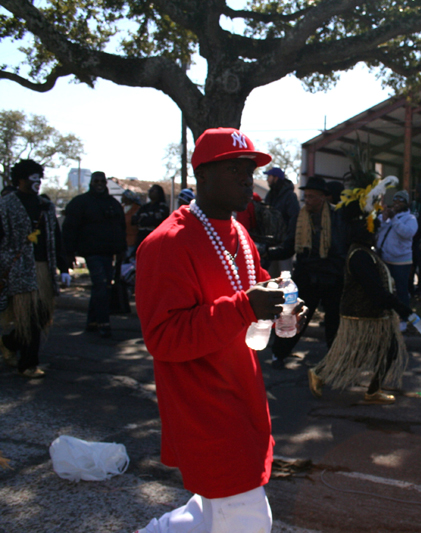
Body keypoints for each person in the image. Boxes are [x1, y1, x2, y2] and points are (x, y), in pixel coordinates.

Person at [134, 127, 303, 533]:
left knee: (210, 512)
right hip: (203, 409)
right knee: (247, 520)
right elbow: (164, 338)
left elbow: (263, 295)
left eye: (250, 169)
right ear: (202, 176)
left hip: (243, 397)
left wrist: (291, 314)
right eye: (234, 169)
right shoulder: (166, 244)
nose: (248, 178)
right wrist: (245, 306)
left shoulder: (240, 234)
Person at [308, 182, 412, 405]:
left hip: (371, 313)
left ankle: (371, 390)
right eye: (373, 229)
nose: (375, 234)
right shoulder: (360, 256)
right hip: (363, 314)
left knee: (382, 350)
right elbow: (375, 290)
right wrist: (401, 307)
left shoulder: (364, 252)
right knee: (355, 354)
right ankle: (320, 374)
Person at [264, 176, 346, 369]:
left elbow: (341, 248)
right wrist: (268, 251)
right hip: (307, 276)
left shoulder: (337, 217)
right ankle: (279, 353)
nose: (307, 200)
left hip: (332, 278)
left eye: (311, 196)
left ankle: (335, 360)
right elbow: (289, 247)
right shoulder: (300, 218)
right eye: (306, 196)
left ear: (323, 197)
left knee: (334, 321)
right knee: (294, 317)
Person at [0, 159, 70, 378]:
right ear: (20, 179)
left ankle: (9, 342)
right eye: (32, 178)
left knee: (40, 317)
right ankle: (28, 364)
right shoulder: (6, 205)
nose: (37, 182)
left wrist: (64, 267)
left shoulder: (45, 206)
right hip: (19, 270)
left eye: (39, 178)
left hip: (43, 270)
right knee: (28, 317)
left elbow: (56, 239)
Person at [62, 171, 127, 338]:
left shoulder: (113, 204)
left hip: (108, 253)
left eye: (101, 181)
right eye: (95, 181)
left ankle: (92, 322)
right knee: (101, 285)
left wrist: (121, 250)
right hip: (91, 252)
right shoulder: (81, 203)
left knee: (103, 287)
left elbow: (121, 229)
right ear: (91, 183)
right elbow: (69, 229)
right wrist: (69, 254)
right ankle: (103, 323)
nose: (99, 184)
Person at [375, 190, 418, 319]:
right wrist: (383, 218)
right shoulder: (388, 217)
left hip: (401, 261)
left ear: (406, 204)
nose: (397, 203)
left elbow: (406, 233)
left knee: (401, 291)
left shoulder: (410, 219)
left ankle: (403, 319)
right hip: (384, 258)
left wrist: (394, 219)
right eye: (395, 201)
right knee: (384, 289)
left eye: (401, 201)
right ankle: (386, 315)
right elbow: (376, 229)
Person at [263, 167, 300, 277]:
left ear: (276, 178)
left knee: (285, 277)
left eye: (269, 177)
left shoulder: (289, 196)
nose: (267, 180)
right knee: (271, 278)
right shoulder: (270, 195)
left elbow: (294, 219)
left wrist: (288, 243)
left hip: (284, 246)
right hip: (271, 244)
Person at [121, 190, 142, 260]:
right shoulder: (121, 208)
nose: (122, 198)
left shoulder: (137, 209)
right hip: (121, 240)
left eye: (123, 196)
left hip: (132, 240)